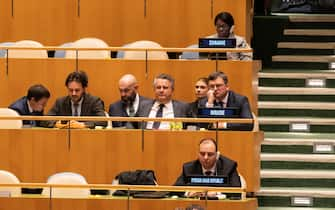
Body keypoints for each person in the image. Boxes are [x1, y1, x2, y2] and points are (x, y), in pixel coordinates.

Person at [174, 138, 241, 197]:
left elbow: (237, 192)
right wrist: (188, 193)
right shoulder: (189, 168)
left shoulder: (229, 166)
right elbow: (174, 190)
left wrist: (217, 193)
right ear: (198, 154)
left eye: (210, 154)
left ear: (217, 155)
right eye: (202, 154)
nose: (205, 157)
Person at [41, 70, 107, 129]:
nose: (73, 93)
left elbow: (103, 121)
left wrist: (83, 125)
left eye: (77, 90)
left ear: (84, 89)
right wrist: (56, 124)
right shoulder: (60, 102)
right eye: (70, 90)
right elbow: (45, 120)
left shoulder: (94, 101)